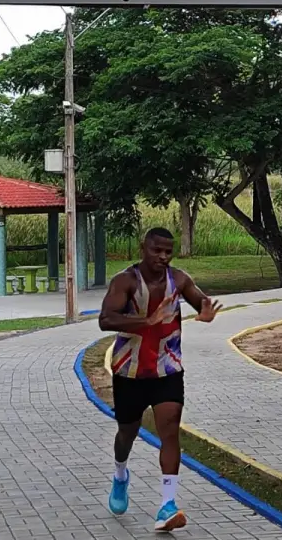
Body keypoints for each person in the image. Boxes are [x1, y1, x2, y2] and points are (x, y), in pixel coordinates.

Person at [98, 227, 223, 532]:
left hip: (168, 370)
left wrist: (205, 313)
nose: (163, 257)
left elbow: (200, 302)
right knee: (127, 433)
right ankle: (120, 474)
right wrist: (145, 321)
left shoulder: (178, 279)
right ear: (144, 248)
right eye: (157, 251)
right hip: (130, 372)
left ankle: (168, 504)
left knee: (170, 431)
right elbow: (105, 319)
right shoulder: (125, 281)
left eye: (169, 252)